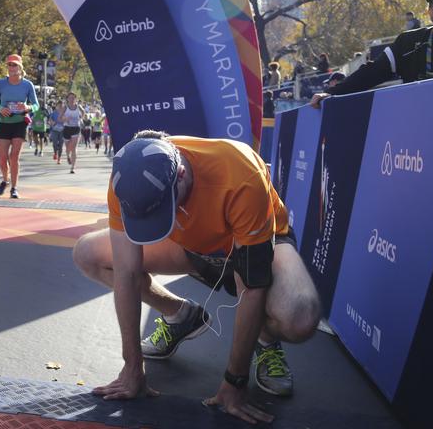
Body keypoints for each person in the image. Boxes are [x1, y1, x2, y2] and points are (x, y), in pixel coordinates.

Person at [72, 131, 321, 423]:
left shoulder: (238, 171)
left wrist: (235, 381)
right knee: (87, 253)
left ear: (180, 174)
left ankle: (265, 340)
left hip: (258, 243)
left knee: (300, 317)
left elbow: (252, 288)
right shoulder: (126, 179)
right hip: (190, 246)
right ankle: (180, 316)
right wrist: (132, 365)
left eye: (164, 209)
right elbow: (126, 272)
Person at [312, 0, 433, 108]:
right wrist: (331, 93)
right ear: (429, 10)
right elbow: (373, 71)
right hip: (421, 126)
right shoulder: (409, 41)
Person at [0, 54, 38, 199]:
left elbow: (36, 105)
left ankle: (14, 187)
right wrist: (0, 109)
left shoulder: (27, 84)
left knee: (14, 156)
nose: (12, 67)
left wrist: (27, 107)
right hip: (4, 123)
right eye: (9, 65)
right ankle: (5, 180)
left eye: (14, 65)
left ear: (20, 67)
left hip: (19, 123)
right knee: (2, 157)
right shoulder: (0, 84)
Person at [58, 93, 84, 174]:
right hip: (67, 129)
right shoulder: (65, 108)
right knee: (68, 148)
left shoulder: (78, 106)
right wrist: (65, 119)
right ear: (67, 99)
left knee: (74, 147)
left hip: (76, 128)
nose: (72, 99)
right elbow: (59, 118)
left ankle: (72, 167)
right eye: (70, 98)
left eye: (73, 98)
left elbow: (83, 113)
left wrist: (80, 118)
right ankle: (68, 156)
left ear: (75, 99)